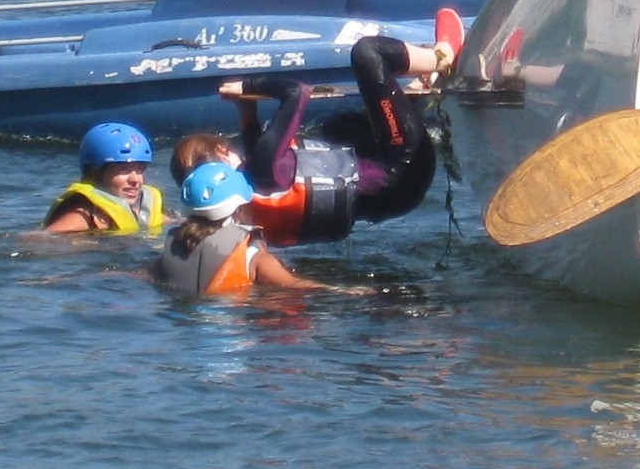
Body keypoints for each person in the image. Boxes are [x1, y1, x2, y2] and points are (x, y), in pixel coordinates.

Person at [223, 18, 460, 246]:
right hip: (407, 165)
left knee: (336, 127)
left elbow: (254, 147)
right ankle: (442, 58)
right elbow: (297, 93)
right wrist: (247, 86)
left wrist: (246, 110)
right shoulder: (264, 166)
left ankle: (411, 93)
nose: (225, 148)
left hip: (395, 201)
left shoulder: (249, 203)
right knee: (367, 53)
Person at [154, 163, 324, 296]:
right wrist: (342, 290)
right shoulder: (254, 256)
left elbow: (140, 275)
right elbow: (295, 285)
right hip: (234, 329)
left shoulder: (173, 248)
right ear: (239, 210)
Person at [43, 122, 166, 235]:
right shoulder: (84, 215)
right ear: (94, 172)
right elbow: (40, 239)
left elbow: (170, 221)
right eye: (123, 170)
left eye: (139, 170)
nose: (135, 180)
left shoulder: (140, 208)